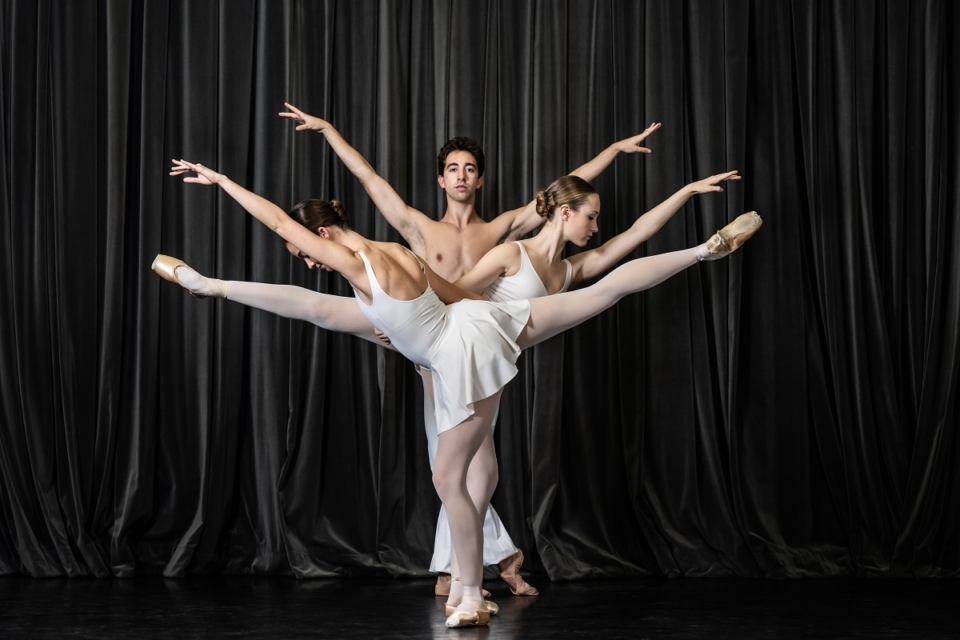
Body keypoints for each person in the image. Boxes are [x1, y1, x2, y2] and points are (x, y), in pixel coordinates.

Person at [157, 159, 762, 628]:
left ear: (321, 233)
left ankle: (471, 594)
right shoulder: (393, 255)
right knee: (597, 296)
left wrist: (221, 181)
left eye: (302, 247)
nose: (299, 255)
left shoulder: (352, 260)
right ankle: (702, 250)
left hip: (460, 349)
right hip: (473, 332)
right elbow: (345, 304)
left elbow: (280, 225)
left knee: (450, 480)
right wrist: (484, 327)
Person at [278, 103, 663, 599]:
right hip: (427, 350)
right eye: (453, 169)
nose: (461, 176)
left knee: (470, 468)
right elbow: (371, 179)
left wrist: (611, 152)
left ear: (480, 179)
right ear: (441, 180)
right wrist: (330, 130)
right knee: (450, 464)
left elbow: (560, 191)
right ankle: (478, 565)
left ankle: (469, 569)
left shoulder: (499, 229)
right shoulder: (419, 228)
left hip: (477, 348)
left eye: (470, 169)